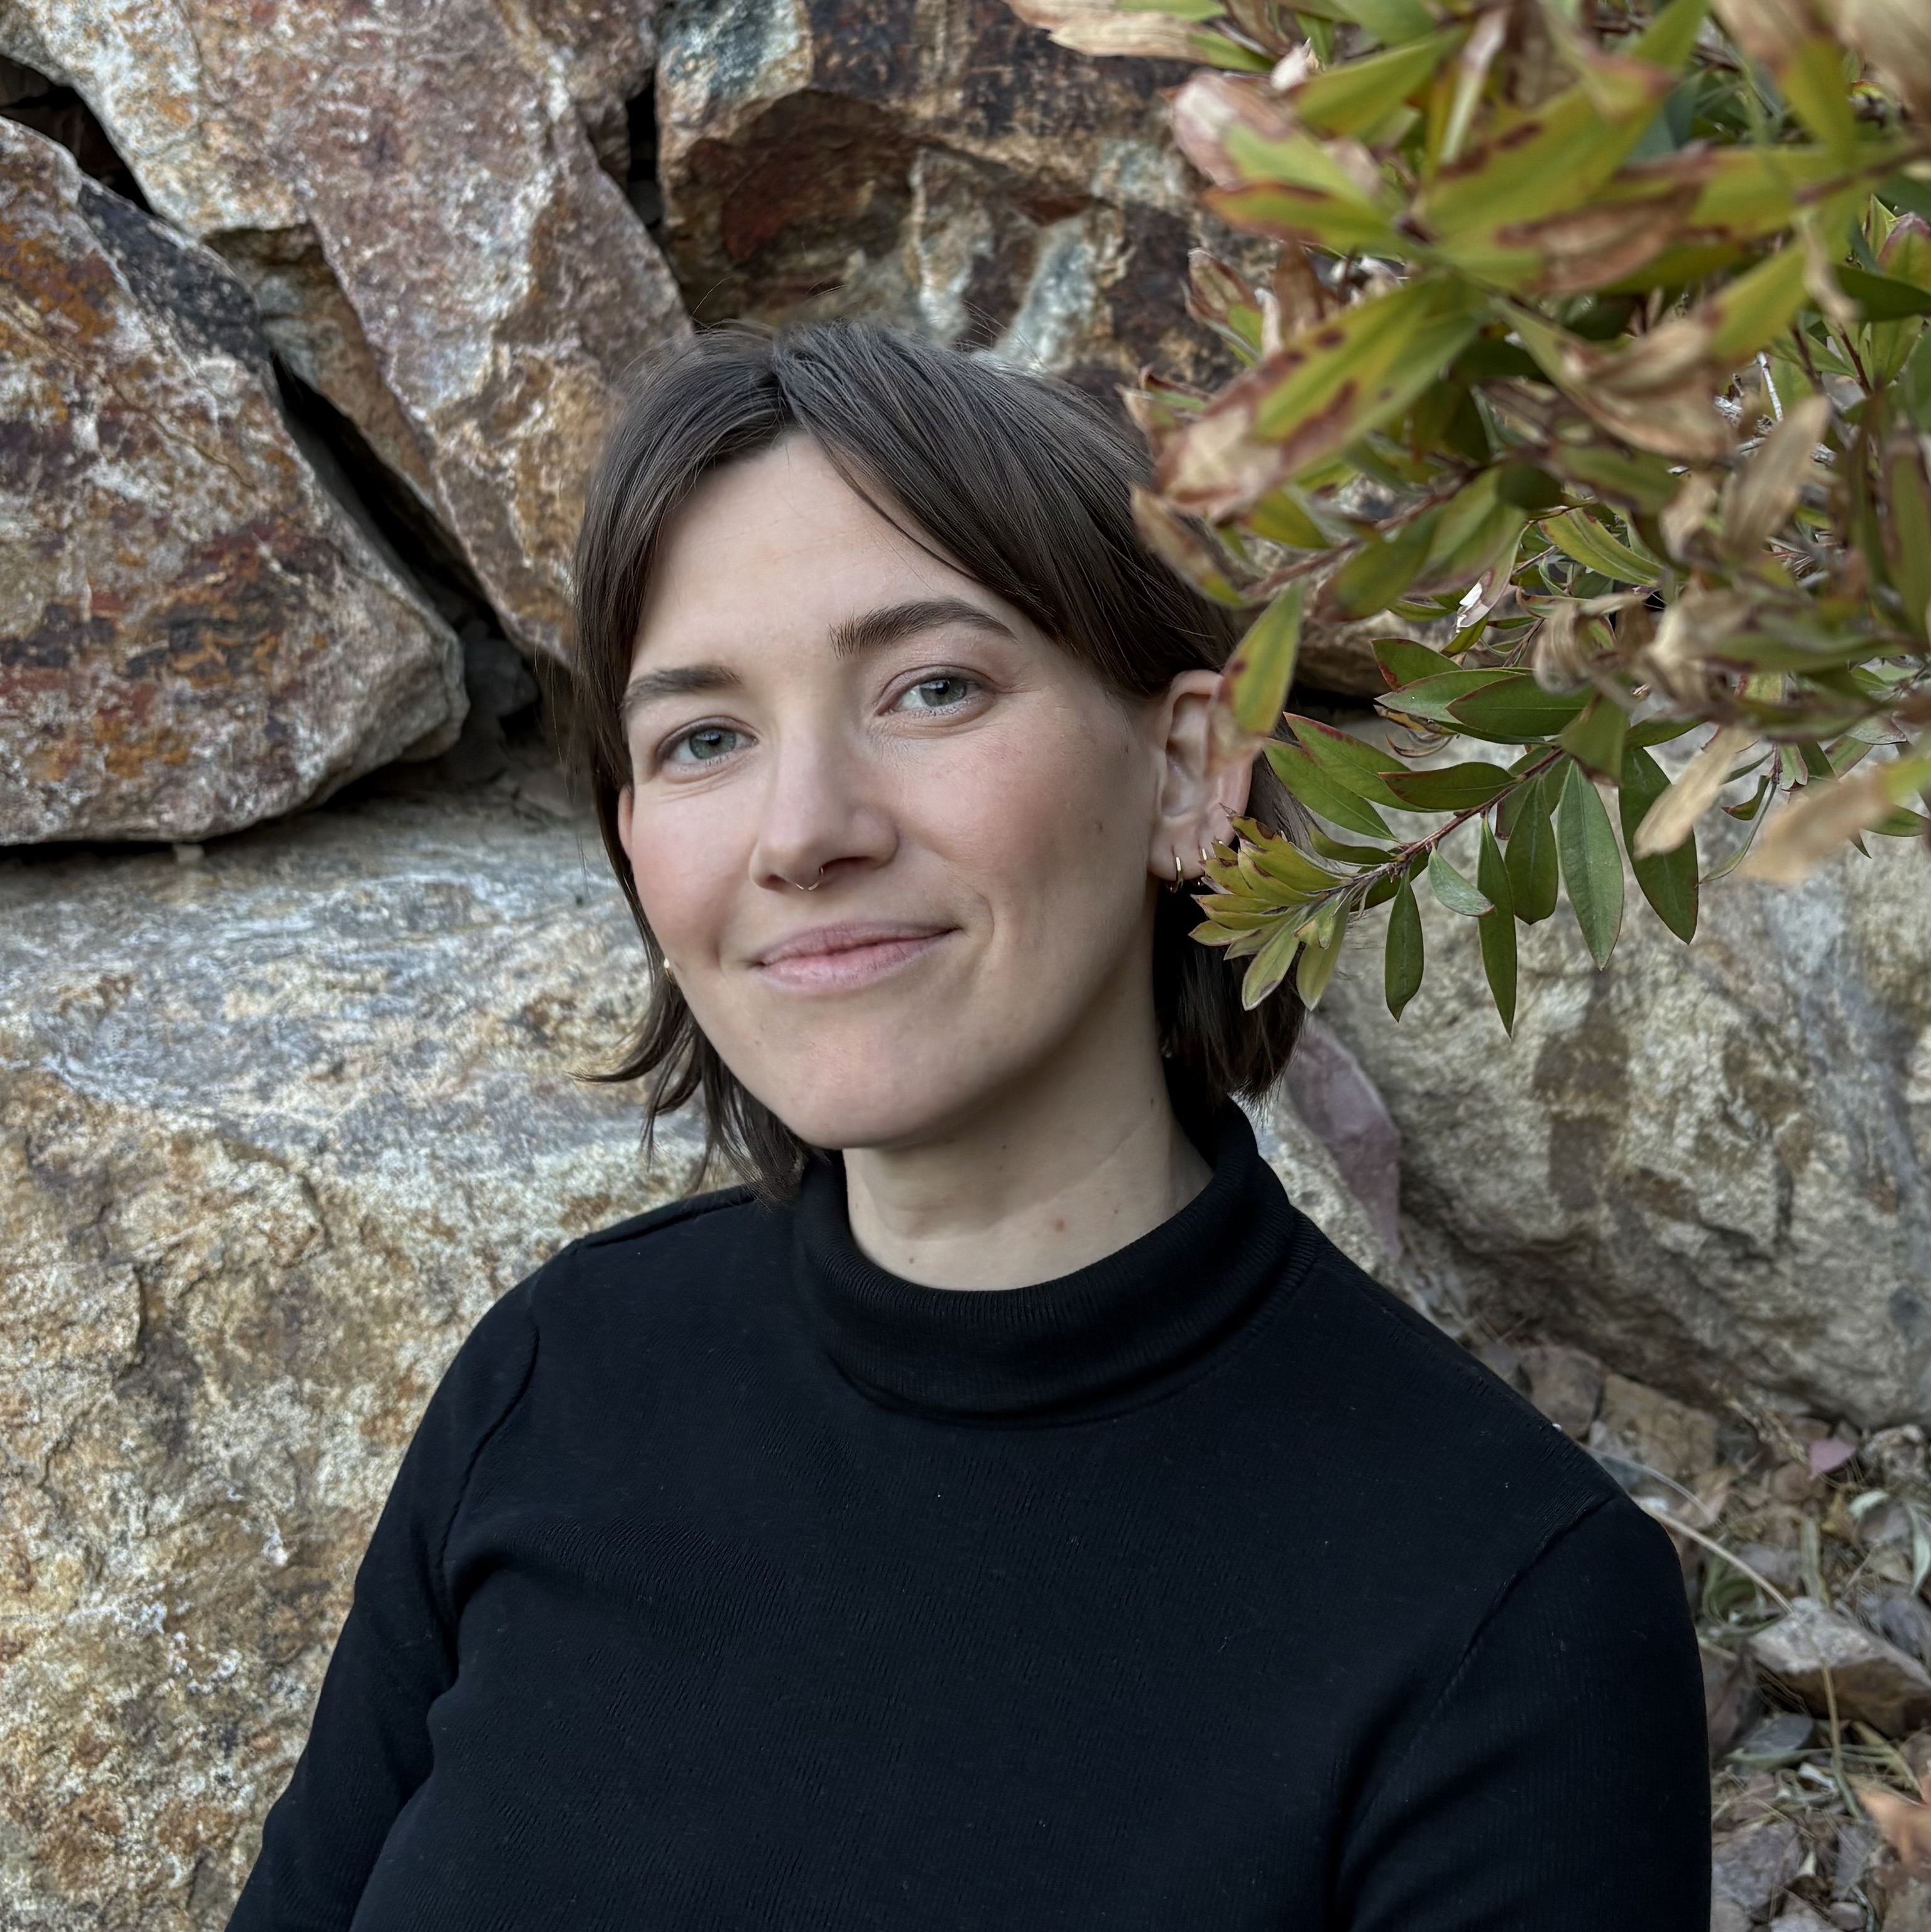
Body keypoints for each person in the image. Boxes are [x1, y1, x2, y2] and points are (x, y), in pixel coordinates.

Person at [229, 321, 1709, 1929]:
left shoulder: (1512, 1613)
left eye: (931, 687)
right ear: (637, 842)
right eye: (704, 737)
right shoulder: (557, 1377)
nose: (804, 832)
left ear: (1189, 773)